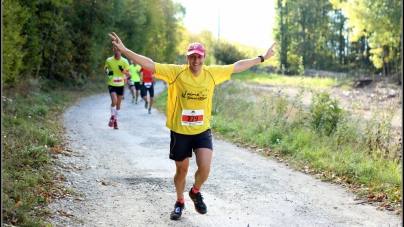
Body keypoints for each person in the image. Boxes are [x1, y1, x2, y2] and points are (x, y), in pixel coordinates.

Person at [108, 32, 277, 220]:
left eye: (199, 56)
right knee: (182, 171)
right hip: (180, 131)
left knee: (205, 168)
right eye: (192, 56)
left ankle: (195, 192)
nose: (196, 60)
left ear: (204, 58)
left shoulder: (212, 73)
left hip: (202, 130)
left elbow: (237, 66)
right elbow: (149, 63)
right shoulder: (176, 72)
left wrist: (262, 58)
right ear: (187, 57)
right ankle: (179, 201)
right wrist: (124, 50)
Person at [104, 46, 131, 130]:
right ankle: (112, 117)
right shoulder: (109, 60)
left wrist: (123, 71)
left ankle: (115, 121)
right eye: (115, 50)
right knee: (114, 101)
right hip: (112, 84)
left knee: (118, 104)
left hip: (120, 85)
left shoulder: (124, 61)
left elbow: (129, 75)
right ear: (113, 50)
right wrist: (108, 73)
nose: (117, 52)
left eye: (118, 50)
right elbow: (105, 69)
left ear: (121, 51)